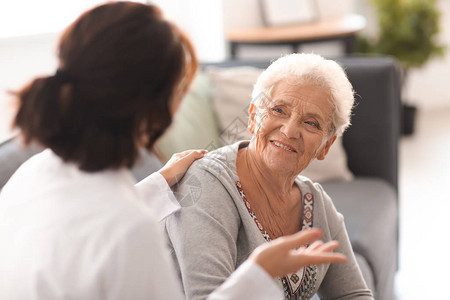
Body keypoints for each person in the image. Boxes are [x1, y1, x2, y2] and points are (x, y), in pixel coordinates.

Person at [0, 3, 348, 300]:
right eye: (181, 87)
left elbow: (85, 225)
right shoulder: (128, 229)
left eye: (312, 123)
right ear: (157, 107)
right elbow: (109, 229)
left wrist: (158, 183)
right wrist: (258, 273)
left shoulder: (33, 174)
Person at [165, 53, 375, 300]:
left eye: (311, 123)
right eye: (278, 110)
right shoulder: (206, 183)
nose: (290, 130)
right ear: (253, 117)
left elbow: (353, 295)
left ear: (326, 146)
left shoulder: (315, 203)